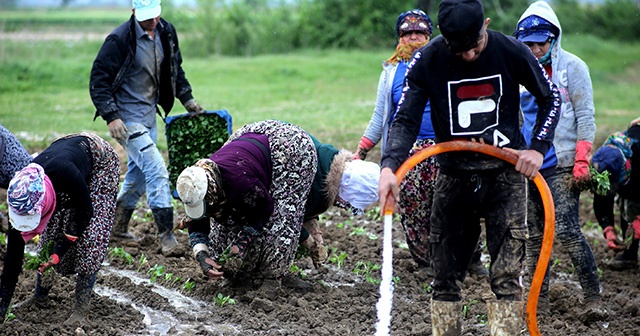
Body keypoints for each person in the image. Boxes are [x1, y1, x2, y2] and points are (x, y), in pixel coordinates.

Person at [376, 0, 560, 334]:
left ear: (486, 25)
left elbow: (551, 99)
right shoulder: (428, 59)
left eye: (474, 47)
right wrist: (389, 166)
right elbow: (404, 119)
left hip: (505, 176)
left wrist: (536, 149)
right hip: (454, 174)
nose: (469, 57)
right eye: (459, 51)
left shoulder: (512, 51)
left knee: (506, 275)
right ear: (444, 39)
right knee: (443, 276)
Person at [355, 9, 487, 277]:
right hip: (409, 150)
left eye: (420, 33)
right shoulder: (391, 72)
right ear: (399, 37)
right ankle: (427, 262)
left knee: (460, 203)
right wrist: (363, 149)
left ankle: (471, 259)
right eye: (407, 33)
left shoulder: (448, 61)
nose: (413, 37)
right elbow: (382, 115)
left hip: (446, 145)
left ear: (430, 35)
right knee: (415, 207)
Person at [176, 120, 379, 283]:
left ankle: (272, 280)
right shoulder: (197, 180)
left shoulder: (241, 184)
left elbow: (265, 211)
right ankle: (238, 275)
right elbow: (199, 218)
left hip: (289, 148)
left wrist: (241, 243)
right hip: (250, 142)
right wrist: (202, 255)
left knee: (282, 221)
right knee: (222, 236)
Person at [89, 0, 204, 255]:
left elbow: (176, 69)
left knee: (138, 175)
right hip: (127, 119)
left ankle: (116, 229)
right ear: (133, 12)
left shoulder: (167, 32)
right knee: (157, 170)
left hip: (149, 115)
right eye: (146, 18)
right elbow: (99, 79)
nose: (152, 22)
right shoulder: (119, 39)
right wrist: (111, 116)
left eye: (155, 16)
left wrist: (188, 99)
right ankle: (166, 236)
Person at [515, 0, 602, 316]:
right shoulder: (518, 71)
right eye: (529, 44)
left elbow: (585, 115)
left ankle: (593, 297)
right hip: (528, 165)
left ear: (554, 38)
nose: (536, 49)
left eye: (542, 43)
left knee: (566, 230)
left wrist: (582, 158)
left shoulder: (572, 68)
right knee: (534, 236)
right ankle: (538, 301)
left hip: (563, 162)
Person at [0, 133, 119, 325]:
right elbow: (13, 256)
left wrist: (58, 253)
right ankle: (39, 297)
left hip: (98, 160)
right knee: (49, 234)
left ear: (41, 205)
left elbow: (85, 212)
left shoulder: (66, 174)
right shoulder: (23, 192)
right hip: (61, 161)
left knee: (91, 236)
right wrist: (2, 306)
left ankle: (81, 312)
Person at [303, 133, 380, 268]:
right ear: (347, 189)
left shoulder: (327, 161)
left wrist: (315, 234)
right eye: (348, 203)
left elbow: (303, 204)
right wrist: (309, 243)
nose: (345, 207)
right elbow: (286, 219)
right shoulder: (317, 185)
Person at [592, 123, 640, 269]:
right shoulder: (603, 163)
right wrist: (608, 228)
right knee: (627, 207)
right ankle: (630, 254)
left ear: (626, 167)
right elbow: (601, 199)